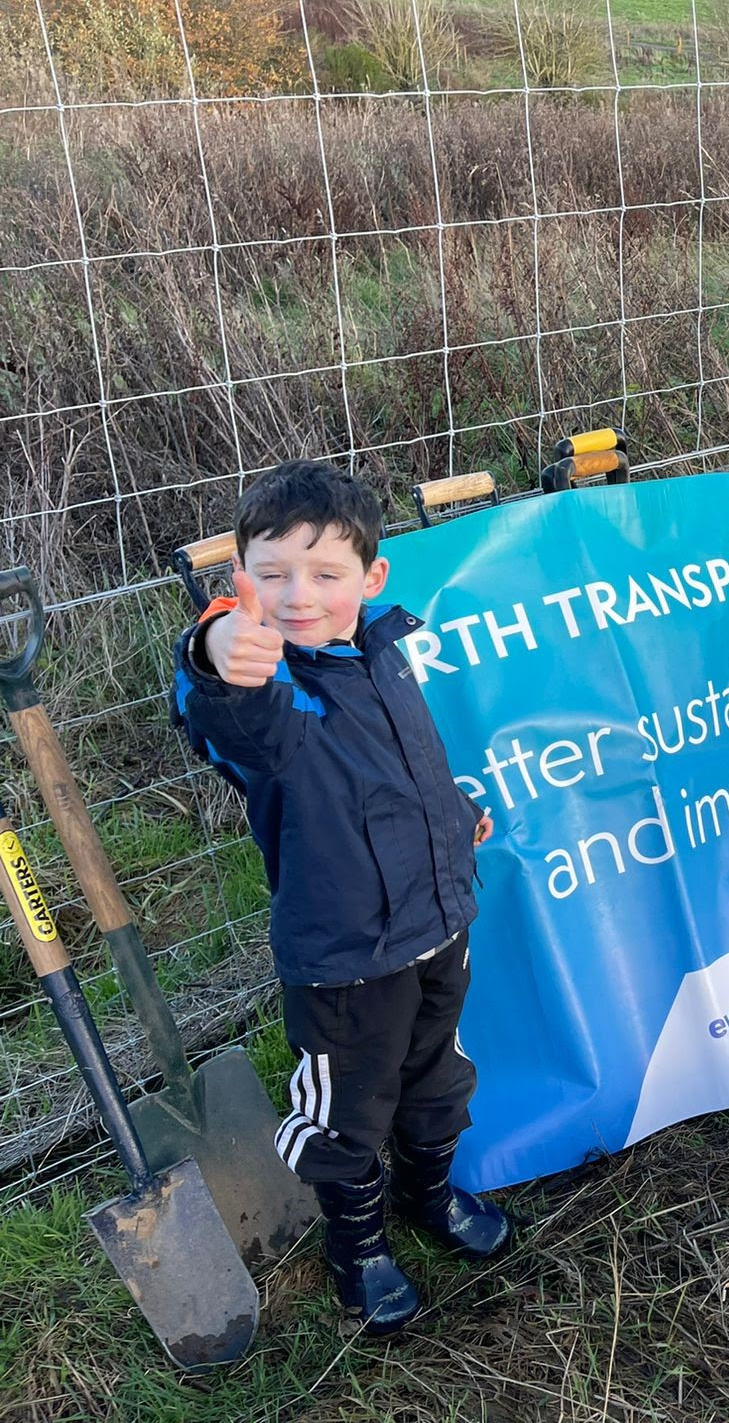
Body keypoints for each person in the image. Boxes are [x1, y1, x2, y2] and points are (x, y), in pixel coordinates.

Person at [173, 460, 511, 1335]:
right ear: (239, 579)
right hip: (345, 960)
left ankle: (428, 1196)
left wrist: (454, 815)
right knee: (345, 1113)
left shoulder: (381, 653)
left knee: (438, 1079)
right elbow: (221, 708)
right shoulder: (271, 689)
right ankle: (357, 1247)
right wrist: (215, 649)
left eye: (325, 574)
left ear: (372, 578)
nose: (298, 596)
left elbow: (404, 769)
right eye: (272, 573)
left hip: (439, 925)